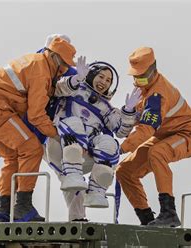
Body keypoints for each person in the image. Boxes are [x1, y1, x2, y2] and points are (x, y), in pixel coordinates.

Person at [0, 37, 77, 222]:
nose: (64, 71)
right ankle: (22, 206)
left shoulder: (35, 62)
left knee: (12, 157)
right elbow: (36, 115)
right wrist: (58, 135)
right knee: (32, 149)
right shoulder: (42, 71)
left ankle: (4, 211)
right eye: (65, 66)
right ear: (55, 58)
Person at [44, 59, 142, 221]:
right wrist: (76, 78)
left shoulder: (106, 108)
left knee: (109, 144)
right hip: (58, 145)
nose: (104, 81)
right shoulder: (74, 89)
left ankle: (96, 190)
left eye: (108, 80)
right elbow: (58, 89)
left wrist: (128, 111)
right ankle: (72, 173)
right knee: (75, 123)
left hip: (82, 157)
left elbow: (120, 130)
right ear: (91, 74)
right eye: (101, 76)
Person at [115, 47, 191, 227]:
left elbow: (146, 130)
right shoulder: (142, 90)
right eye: (136, 77)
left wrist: (120, 149)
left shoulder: (157, 94)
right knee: (124, 171)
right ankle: (147, 219)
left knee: (157, 153)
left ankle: (169, 213)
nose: (139, 81)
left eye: (143, 77)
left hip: (186, 135)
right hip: (162, 136)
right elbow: (136, 122)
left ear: (154, 69)